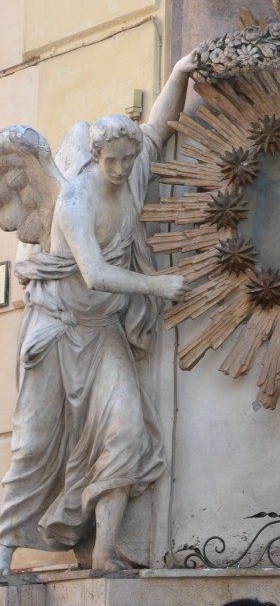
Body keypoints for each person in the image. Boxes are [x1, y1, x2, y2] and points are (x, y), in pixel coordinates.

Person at [0, 54, 196, 577]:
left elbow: (156, 125)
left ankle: (104, 550)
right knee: (35, 445)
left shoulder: (132, 173)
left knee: (127, 428)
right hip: (57, 330)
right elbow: (94, 273)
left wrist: (180, 72)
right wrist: (156, 285)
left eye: (127, 160)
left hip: (102, 330)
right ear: (94, 155)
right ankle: (3, 549)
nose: (121, 170)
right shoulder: (75, 201)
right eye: (112, 160)